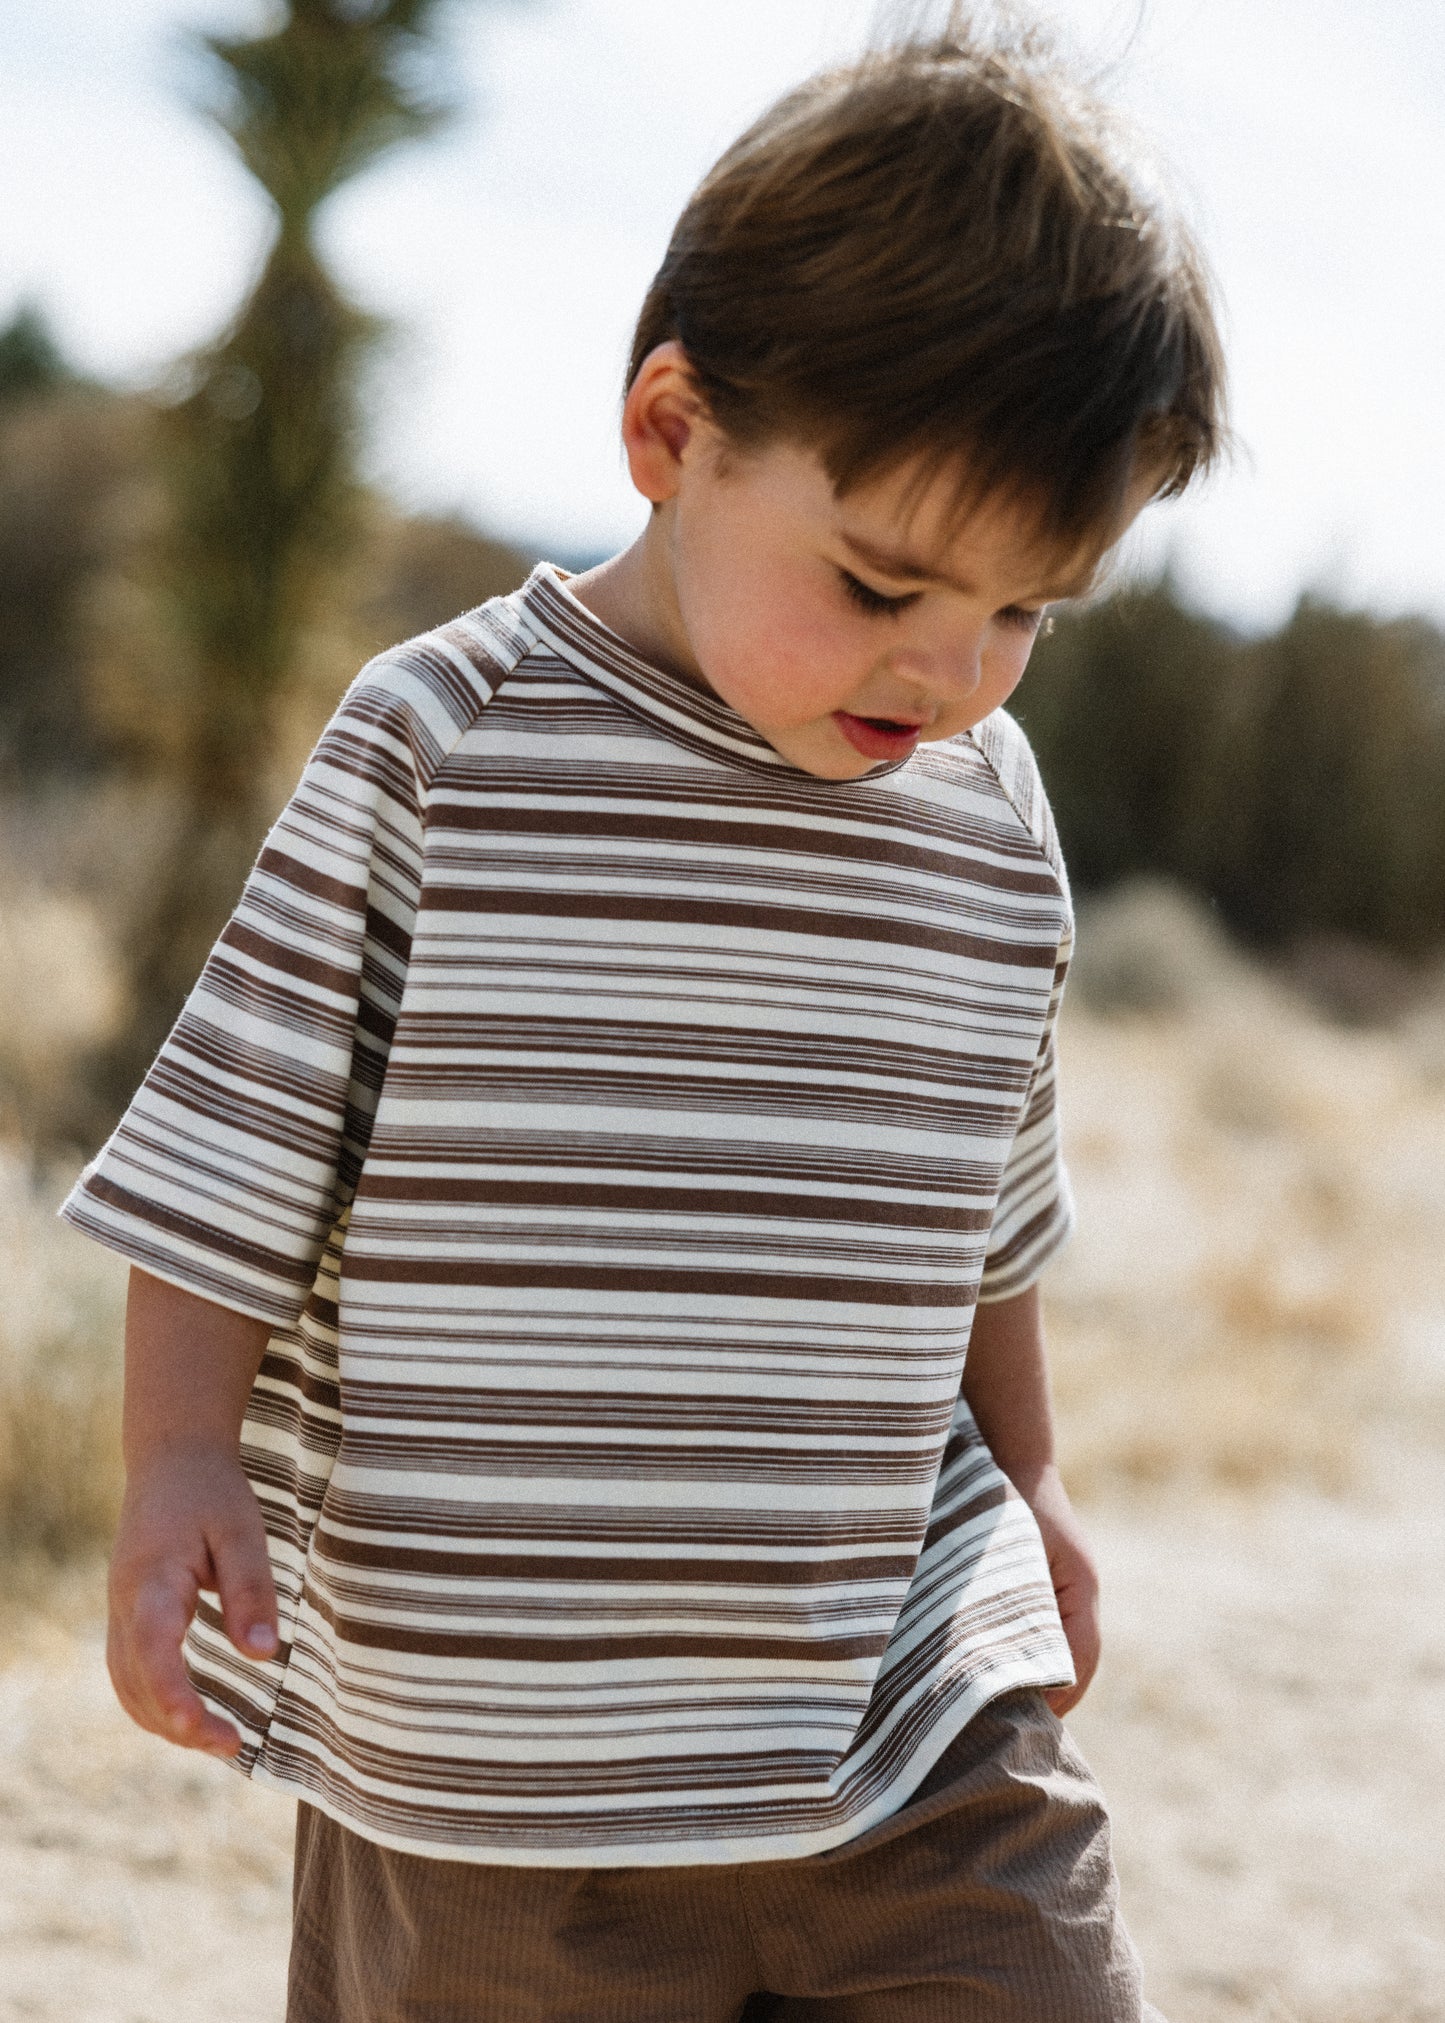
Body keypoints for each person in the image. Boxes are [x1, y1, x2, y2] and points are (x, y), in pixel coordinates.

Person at [62, 8, 1225, 2018]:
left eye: (1027, 612)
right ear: (673, 433)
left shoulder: (987, 807)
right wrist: (177, 1459)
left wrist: (1029, 1477)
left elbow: (980, 1208)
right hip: (500, 1775)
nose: (952, 671)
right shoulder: (444, 742)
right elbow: (234, 1158)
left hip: (913, 1708)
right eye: (882, 586)